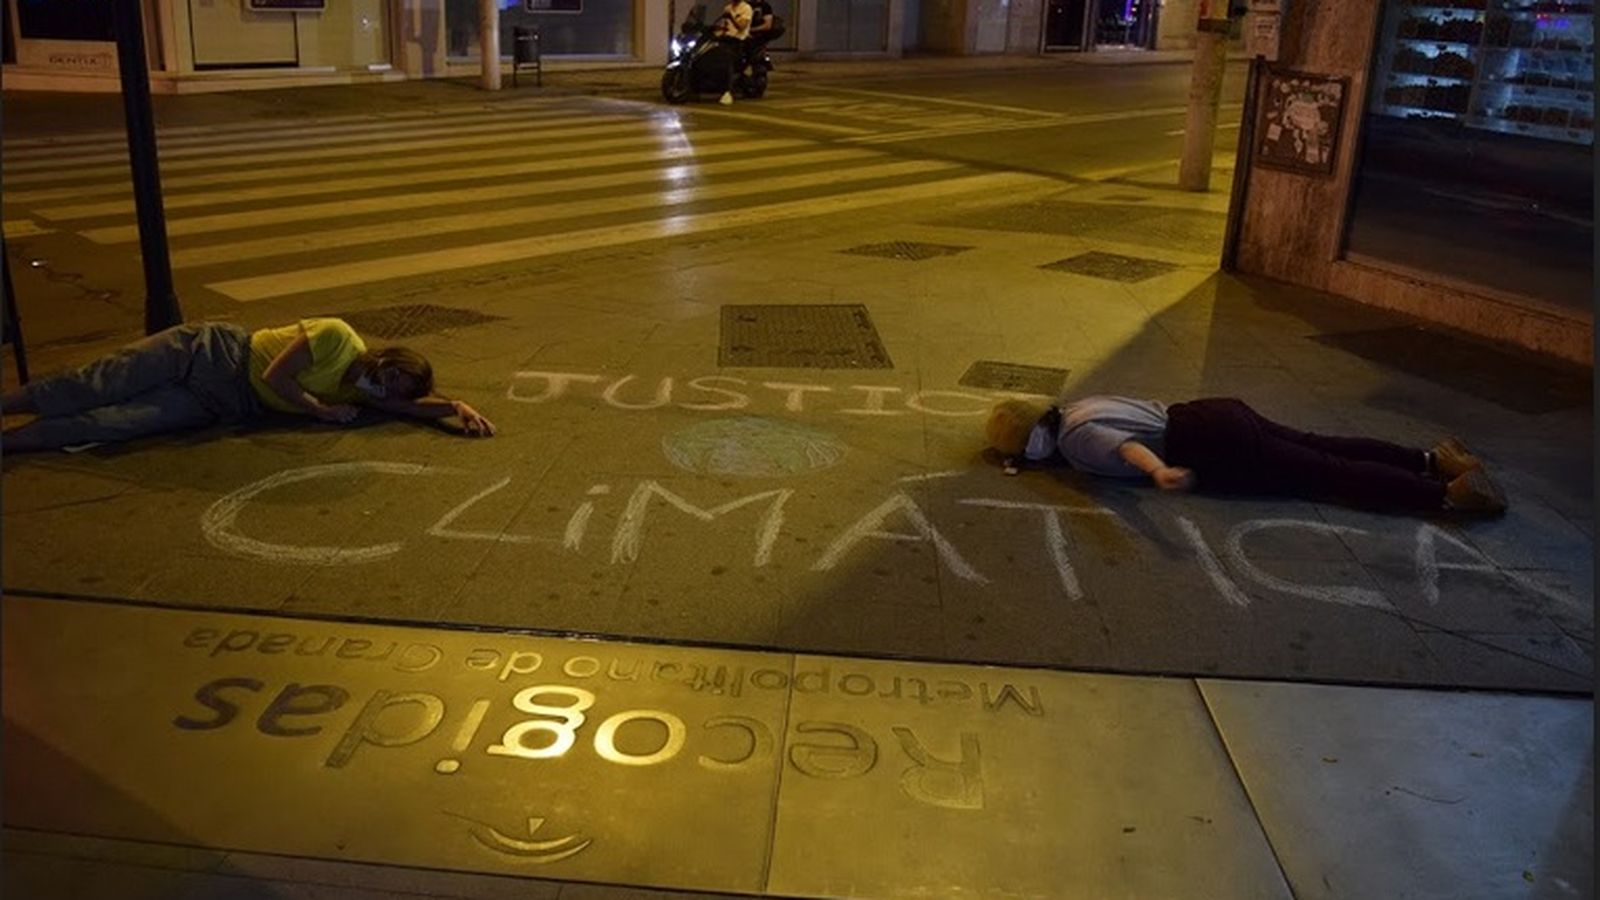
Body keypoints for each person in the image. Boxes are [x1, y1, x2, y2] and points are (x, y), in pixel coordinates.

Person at [2, 317, 496, 453]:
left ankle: (10, 443)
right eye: (390, 375)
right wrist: (318, 410)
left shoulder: (362, 395)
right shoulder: (338, 336)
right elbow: (274, 375)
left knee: (114, 423)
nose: (384, 388)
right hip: (212, 351)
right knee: (91, 385)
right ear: (383, 357)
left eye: (393, 389)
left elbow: (412, 411)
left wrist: (456, 407)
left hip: (218, 399)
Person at [985, 395, 1506, 515]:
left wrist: (1160, 471)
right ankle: (1432, 459)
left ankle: (1447, 493)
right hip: (1211, 413)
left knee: (1325, 473)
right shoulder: (1078, 405)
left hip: (1206, 447)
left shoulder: (1075, 439)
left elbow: (1123, 448)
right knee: (1318, 444)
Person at [712, 0, 753, 106]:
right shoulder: (728, 8)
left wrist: (731, 17)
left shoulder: (746, 8)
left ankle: (727, 92)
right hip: (726, 39)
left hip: (739, 41)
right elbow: (724, 26)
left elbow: (742, 26)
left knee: (727, 60)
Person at [743, 0, 784, 71]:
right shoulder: (744, 5)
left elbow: (767, 25)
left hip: (759, 36)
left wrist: (751, 30)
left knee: (758, 59)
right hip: (743, 36)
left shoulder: (765, 6)